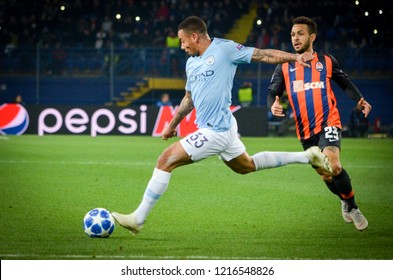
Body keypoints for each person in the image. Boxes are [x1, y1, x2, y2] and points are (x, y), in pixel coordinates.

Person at [112, 16, 332, 234]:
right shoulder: (191, 63)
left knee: (164, 161)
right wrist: (172, 124)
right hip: (222, 127)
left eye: (182, 40)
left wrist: (294, 57)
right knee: (247, 166)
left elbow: (263, 55)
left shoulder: (225, 49)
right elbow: (189, 99)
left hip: (216, 130)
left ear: (195, 36)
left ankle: (137, 219)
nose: (181, 46)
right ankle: (307, 156)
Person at [267, 16, 372, 231]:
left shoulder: (326, 61)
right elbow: (272, 92)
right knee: (325, 174)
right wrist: (272, 105)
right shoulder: (285, 65)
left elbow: (344, 82)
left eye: (300, 34)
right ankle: (344, 199)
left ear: (312, 36)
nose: (295, 38)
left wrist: (360, 99)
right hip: (305, 131)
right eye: (293, 34)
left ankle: (352, 207)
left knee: (333, 165)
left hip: (328, 121)